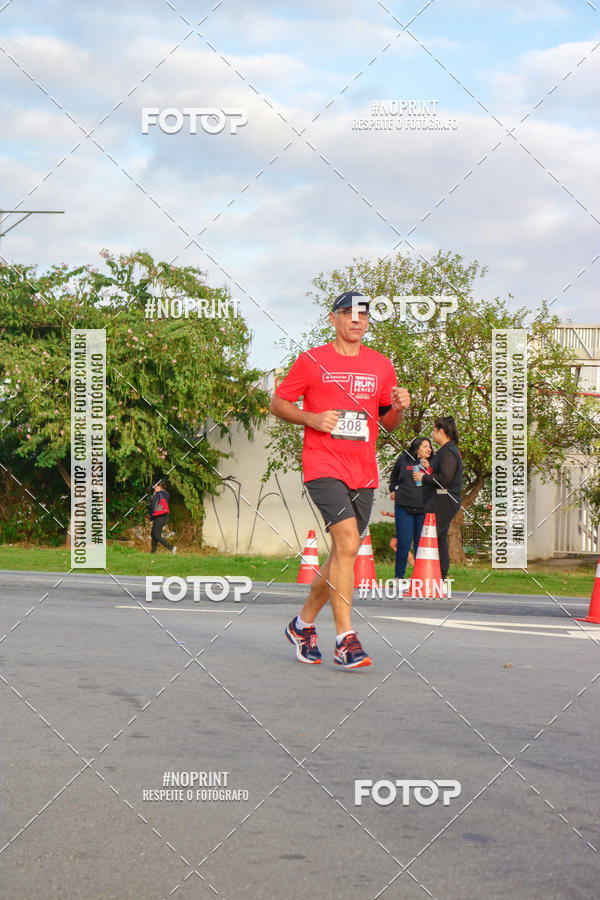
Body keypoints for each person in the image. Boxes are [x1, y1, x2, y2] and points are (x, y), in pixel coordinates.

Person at [270, 290, 410, 668]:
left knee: (342, 555)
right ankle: (345, 640)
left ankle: (302, 625)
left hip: (363, 470)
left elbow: (386, 421)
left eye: (363, 315)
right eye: (349, 313)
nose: (357, 320)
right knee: (347, 541)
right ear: (333, 318)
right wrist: (311, 419)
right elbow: (278, 403)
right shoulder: (312, 360)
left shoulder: (382, 365)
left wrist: (397, 408)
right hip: (323, 465)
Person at [412, 416, 462, 582]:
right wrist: (429, 470)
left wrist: (423, 477)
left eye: (434, 430)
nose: (433, 434)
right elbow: (440, 474)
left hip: (444, 499)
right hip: (442, 499)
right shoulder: (445, 451)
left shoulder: (449, 451)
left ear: (441, 431)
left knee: (430, 535)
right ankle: (439, 575)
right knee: (438, 538)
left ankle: (428, 576)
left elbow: (445, 478)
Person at [388, 436, 434, 580]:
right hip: (403, 505)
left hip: (424, 507)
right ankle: (398, 577)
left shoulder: (433, 462)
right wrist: (392, 489)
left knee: (421, 544)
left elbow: (439, 480)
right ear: (417, 448)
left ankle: (419, 578)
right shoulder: (404, 459)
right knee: (403, 542)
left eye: (430, 446)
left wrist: (429, 468)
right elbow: (394, 475)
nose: (429, 449)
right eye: (425, 446)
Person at [149, 482, 177, 554]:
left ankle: (171, 548)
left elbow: (153, 506)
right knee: (153, 534)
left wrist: (154, 495)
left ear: (159, 487)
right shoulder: (164, 494)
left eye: (155, 487)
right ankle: (153, 552)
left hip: (160, 516)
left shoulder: (160, 494)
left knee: (156, 535)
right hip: (162, 516)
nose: (154, 488)